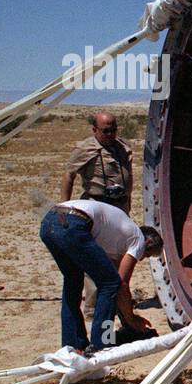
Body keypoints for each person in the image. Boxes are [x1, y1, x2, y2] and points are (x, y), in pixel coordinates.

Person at [39, 199, 162, 354]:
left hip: (50, 221)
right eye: (146, 254)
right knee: (110, 284)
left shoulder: (116, 236)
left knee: (73, 281)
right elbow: (120, 284)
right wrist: (132, 320)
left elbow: (116, 286)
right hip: (74, 223)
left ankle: (74, 346)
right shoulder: (138, 239)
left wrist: (126, 317)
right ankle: (102, 344)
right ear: (148, 241)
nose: (141, 258)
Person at [61, 112, 134, 213]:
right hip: (96, 206)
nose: (110, 134)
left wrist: (128, 201)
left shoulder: (123, 147)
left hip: (121, 205)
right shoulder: (85, 148)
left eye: (113, 130)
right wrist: (64, 207)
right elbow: (69, 174)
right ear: (94, 130)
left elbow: (128, 176)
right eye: (105, 131)